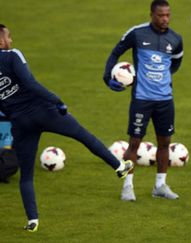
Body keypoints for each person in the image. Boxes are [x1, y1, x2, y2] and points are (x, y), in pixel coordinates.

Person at [0, 24, 133, 232]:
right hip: (43, 111)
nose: (11, 41)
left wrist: (12, 114)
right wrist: (57, 101)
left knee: (26, 174)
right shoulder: (11, 55)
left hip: (20, 123)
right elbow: (31, 83)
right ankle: (119, 167)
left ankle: (32, 220)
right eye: (9, 37)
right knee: (81, 135)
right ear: (1, 41)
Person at [103, 0, 183, 201]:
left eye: (168, 15)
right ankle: (127, 187)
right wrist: (108, 78)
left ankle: (160, 186)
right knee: (134, 143)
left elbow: (175, 64)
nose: (165, 19)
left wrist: (162, 78)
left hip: (165, 100)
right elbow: (115, 53)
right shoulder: (137, 33)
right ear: (152, 15)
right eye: (161, 15)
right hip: (141, 99)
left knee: (165, 142)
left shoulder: (175, 39)